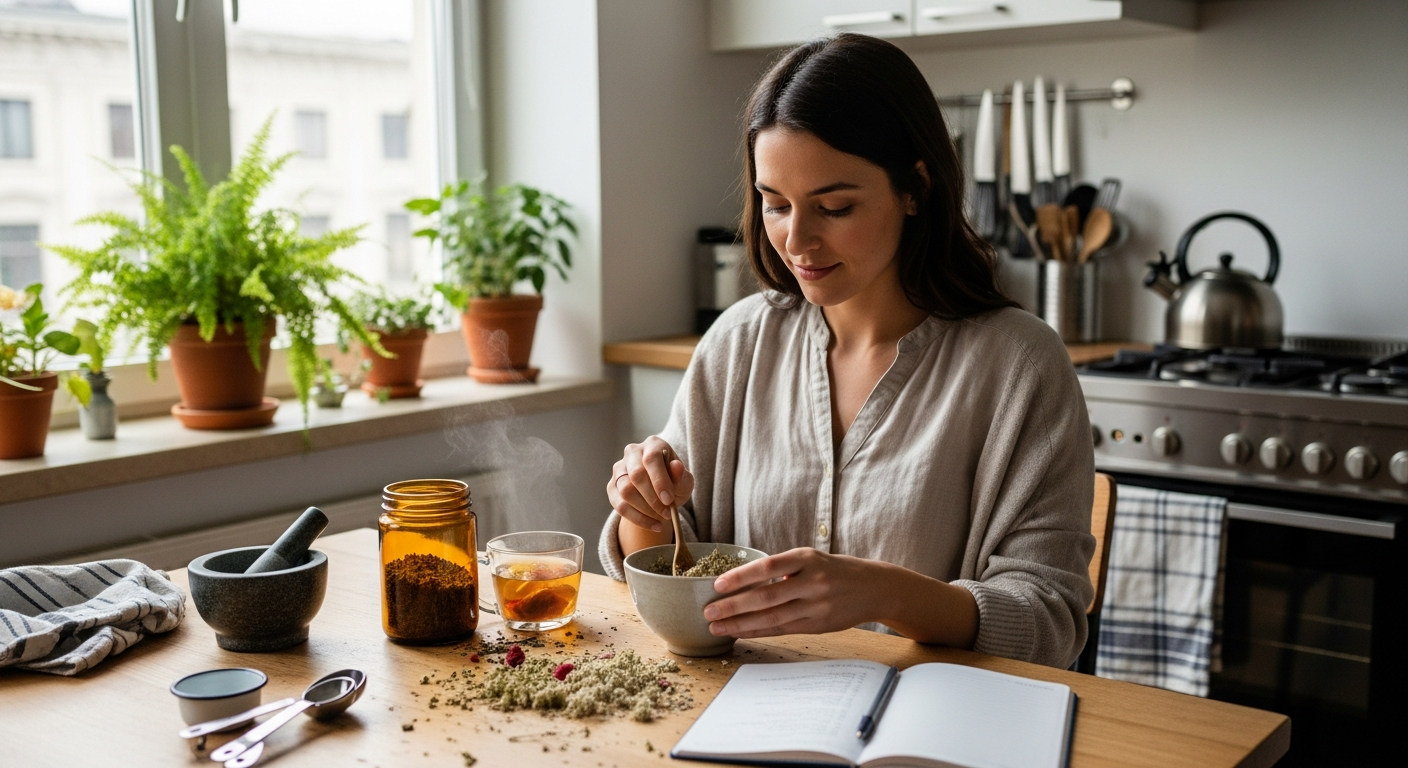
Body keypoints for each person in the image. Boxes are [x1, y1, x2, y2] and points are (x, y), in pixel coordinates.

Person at [599, 33, 1095, 669]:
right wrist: (644, 505)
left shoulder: (1019, 364)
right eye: (774, 204)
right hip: (742, 714)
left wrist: (884, 593)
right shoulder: (740, 341)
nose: (797, 240)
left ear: (914, 187)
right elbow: (673, 554)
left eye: (834, 206)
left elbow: (1048, 619)